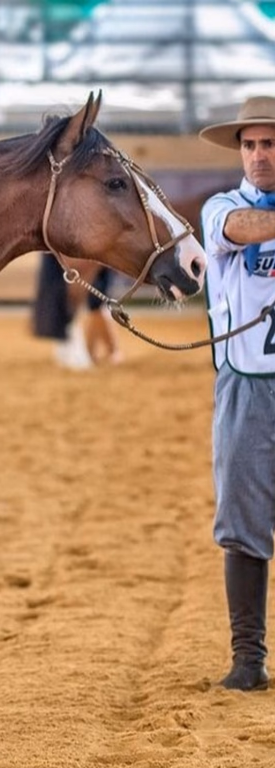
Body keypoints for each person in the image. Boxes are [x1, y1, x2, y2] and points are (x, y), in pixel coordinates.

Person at [199, 95, 275, 691]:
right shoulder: (221, 207)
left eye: (269, 144)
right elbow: (238, 231)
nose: (258, 156)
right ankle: (247, 658)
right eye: (249, 145)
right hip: (246, 384)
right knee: (243, 519)